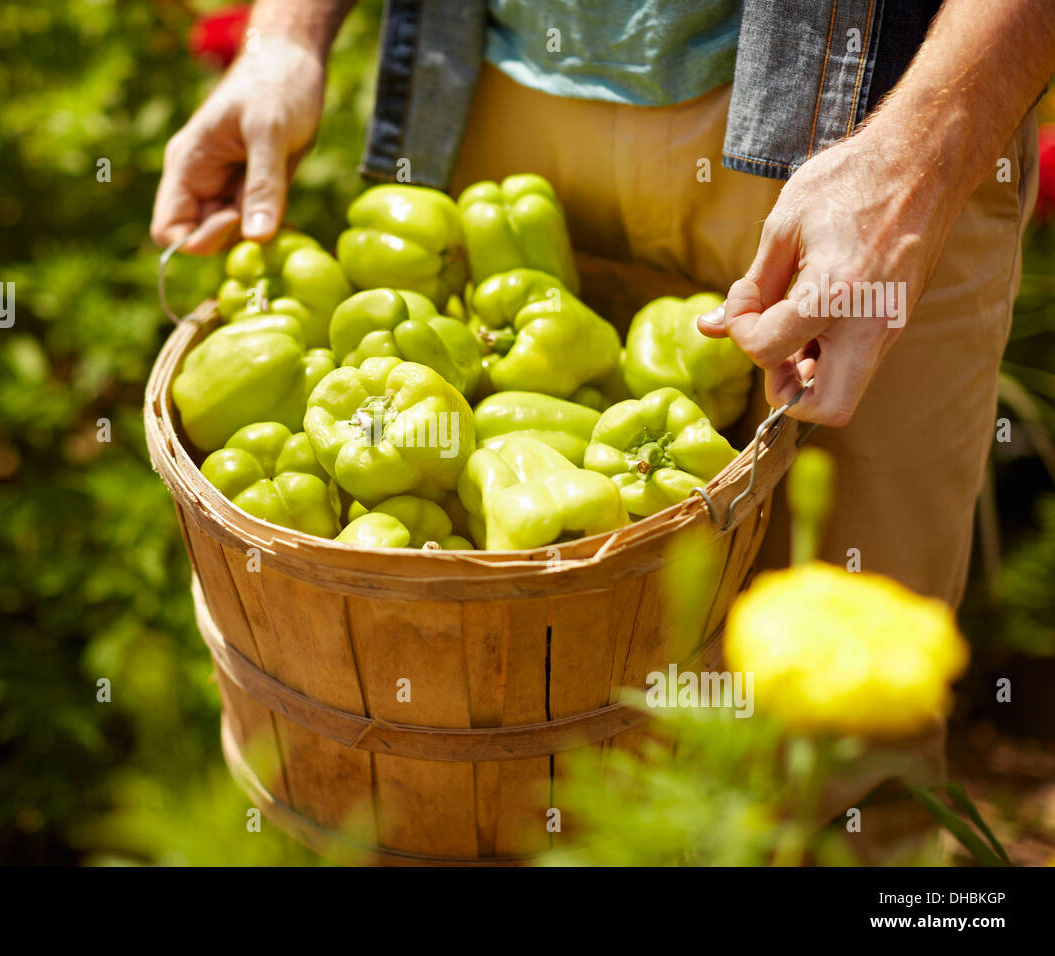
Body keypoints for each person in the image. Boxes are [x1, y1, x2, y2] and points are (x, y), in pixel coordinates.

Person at [151, 0, 1053, 858]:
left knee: (848, 760)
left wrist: (923, 148)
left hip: (869, 116)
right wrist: (287, 38)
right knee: (472, 777)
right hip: (498, 82)